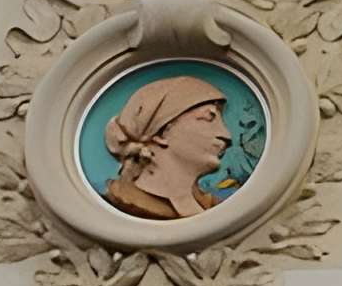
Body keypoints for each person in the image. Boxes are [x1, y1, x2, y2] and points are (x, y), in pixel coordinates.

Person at [99, 74, 239, 221]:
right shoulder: (117, 206)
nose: (227, 136)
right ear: (161, 133)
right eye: (209, 118)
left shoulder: (218, 208)